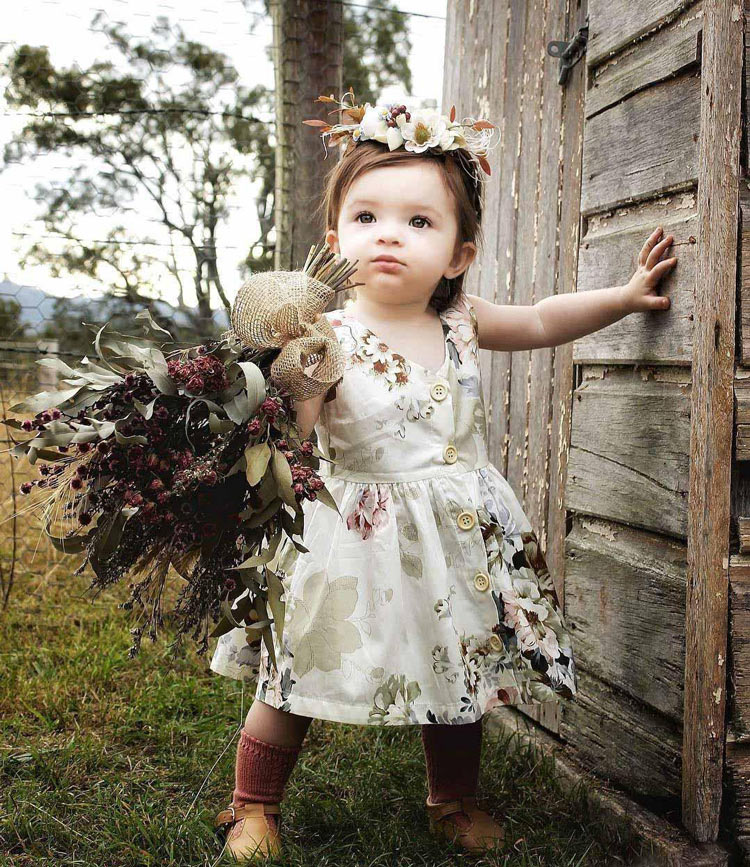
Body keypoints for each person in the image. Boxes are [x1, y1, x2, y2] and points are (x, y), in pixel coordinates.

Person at [209, 93, 677, 862]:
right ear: (333, 240)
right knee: (295, 671)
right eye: (367, 218)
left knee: (456, 663)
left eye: (420, 222)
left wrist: (623, 299)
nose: (389, 234)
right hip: (348, 530)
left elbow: (543, 318)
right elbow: (293, 443)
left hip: (455, 532)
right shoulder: (326, 337)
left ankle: (453, 798)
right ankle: (252, 803)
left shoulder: (462, 321)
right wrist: (296, 384)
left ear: (458, 253)